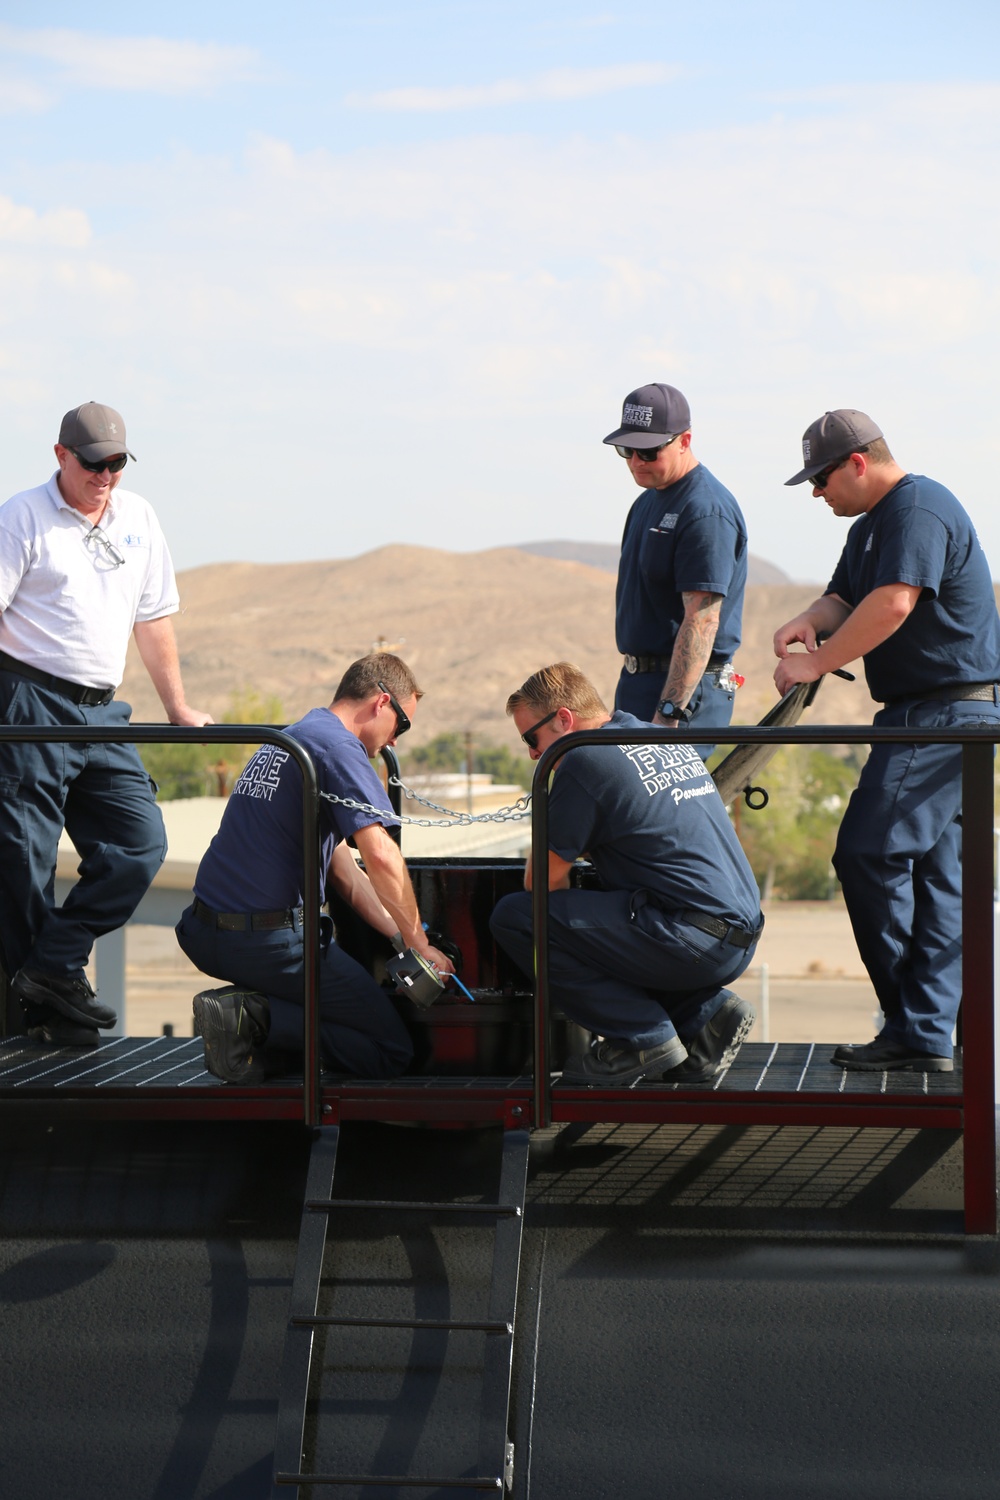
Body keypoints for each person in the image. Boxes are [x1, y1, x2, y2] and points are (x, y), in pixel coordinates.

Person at [774, 409, 1000, 1072]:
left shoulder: (917, 508)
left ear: (858, 463)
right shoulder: (875, 523)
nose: (817, 494)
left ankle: (913, 1022)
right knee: (943, 882)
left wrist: (815, 663)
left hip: (943, 714)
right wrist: (806, 622)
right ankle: (930, 1033)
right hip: (937, 714)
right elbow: (846, 597)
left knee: (867, 854)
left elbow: (895, 601)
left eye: (820, 479)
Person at [0, 401, 212, 1047]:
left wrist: (177, 709)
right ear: (61, 456)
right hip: (30, 703)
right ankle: (41, 1021)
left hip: (104, 711)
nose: (106, 476)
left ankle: (51, 968)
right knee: (24, 864)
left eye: (117, 463)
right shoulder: (22, 518)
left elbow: (153, 621)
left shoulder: (139, 517)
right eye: (94, 463)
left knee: (140, 843)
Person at [176, 653, 454, 1083]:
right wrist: (421, 945)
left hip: (204, 931)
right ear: (382, 703)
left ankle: (252, 1029)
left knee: (332, 1026)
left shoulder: (298, 735)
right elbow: (380, 856)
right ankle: (254, 1016)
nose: (396, 741)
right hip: (269, 944)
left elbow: (345, 873)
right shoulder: (339, 747)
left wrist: (400, 938)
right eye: (402, 725)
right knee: (390, 1050)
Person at [489, 662, 761, 1085]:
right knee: (607, 916)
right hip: (734, 935)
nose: (533, 754)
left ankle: (642, 1039)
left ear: (564, 718)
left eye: (532, 738)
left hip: (693, 938)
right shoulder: (654, 737)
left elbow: (540, 884)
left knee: (521, 917)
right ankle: (706, 1013)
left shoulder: (583, 759)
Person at [603, 382, 748, 756]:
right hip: (640, 684)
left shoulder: (704, 509)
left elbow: (702, 620)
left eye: (649, 451)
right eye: (627, 449)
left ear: (684, 441)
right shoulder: (645, 504)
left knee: (666, 812)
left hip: (682, 696)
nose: (636, 461)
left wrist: (668, 713)